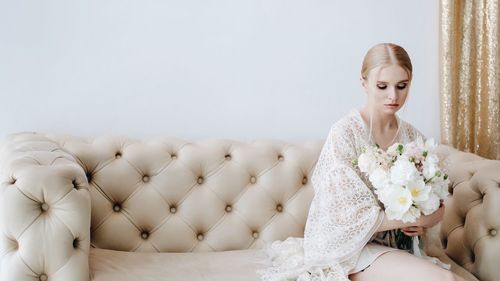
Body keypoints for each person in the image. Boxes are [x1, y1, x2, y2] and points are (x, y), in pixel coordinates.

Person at [257, 43, 466, 281]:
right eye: (382, 86)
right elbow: (348, 217)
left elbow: (436, 207)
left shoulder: (413, 138)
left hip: (400, 247)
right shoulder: (345, 133)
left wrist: (426, 219)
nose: (393, 96)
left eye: (402, 86)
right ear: (364, 83)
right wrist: (414, 217)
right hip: (353, 250)